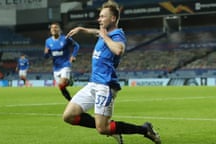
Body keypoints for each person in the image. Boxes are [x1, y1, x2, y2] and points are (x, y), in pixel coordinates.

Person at [63, 1, 161, 144]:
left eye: (103, 17)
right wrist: (81, 29)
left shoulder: (117, 35)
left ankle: (145, 129)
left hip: (105, 85)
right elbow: (97, 32)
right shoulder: (105, 33)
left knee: (102, 129)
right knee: (69, 116)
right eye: (99, 16)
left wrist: (105, 36)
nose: (99, 19)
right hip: (93, 84)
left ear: (113, 18)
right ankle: (111, 128)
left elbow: (118, 50)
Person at [44, 22, 80, 101]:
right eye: (52, 28)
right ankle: (71, 101)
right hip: (56, 68)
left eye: (56, 27)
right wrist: (46, 53)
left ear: (60, 30)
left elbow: (76, 45)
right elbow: (46, 56)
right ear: (50, 30)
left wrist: (73, 55)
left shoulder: (65, 38)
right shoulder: (48, 41)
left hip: (65, 65)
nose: (54, 29)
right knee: (61, 87)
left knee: (62, 83)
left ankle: (69, 81)